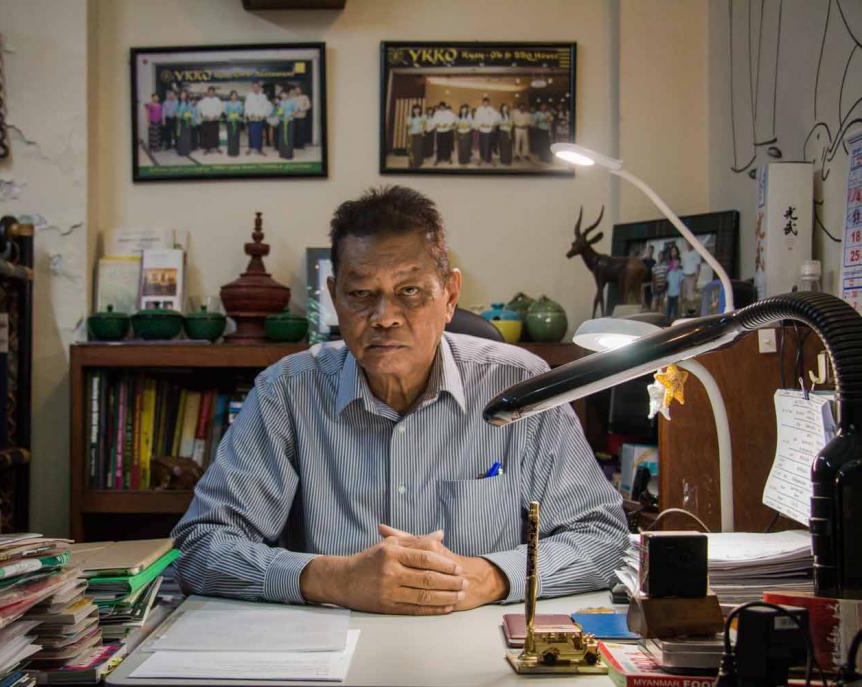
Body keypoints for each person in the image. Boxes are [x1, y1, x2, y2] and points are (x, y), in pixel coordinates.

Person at [172, 185, 628, 614]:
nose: (384, 317)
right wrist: (334, 578)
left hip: (473, 649)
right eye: (361, 294)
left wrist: (489, 577)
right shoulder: (287, 392)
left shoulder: (519, 385)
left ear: (449, 295)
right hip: (326, 651)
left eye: (409, 292)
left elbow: (603, 537)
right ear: (334, 297)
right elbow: (201, 545)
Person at [244, 81, 270, 156]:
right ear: (252, 88)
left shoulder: (263, 96)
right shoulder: (249, 96)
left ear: (259, 87)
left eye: (257, 87)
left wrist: (261, 115)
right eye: (254, 87)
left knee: (259, 134)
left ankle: (259, 149)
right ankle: (250, 148)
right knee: (251, 134)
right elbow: (246, 106)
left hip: (259, 118)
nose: (255, 88)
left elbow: (266, 107)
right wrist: (249, 114)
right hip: (251, 118)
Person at [197, 86, 224, 154]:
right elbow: (202, 109)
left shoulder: (217, 100)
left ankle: (217, 147)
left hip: (215, 119)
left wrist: (216, 116)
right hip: (207, 120)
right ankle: (207, 148)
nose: (211, 93)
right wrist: (206, 116)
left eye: (212, 92)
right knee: (207, 135)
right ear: (207, 92)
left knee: (215, 134)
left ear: (214, 92)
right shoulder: (204, 100)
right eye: (210, 92)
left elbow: (220, 109)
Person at [474, 97, 499, 166]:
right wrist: (479, 125)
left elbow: (495, 118)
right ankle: (481, 158)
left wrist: (492, 125)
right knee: (481, 145)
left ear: (488, 103)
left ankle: (489, 159)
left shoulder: (491, 109)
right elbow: (476, 118)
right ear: (482, 103)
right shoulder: (479, 109)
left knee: (489, 145)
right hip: (481, 130)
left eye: (487, 103)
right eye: (484, 103)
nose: (485, 104)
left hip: (489, 130)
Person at [277, 88, 297, 160]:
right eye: (281, 95)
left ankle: (289, 154)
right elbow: (279, 111)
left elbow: (296, 110)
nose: (282, 96)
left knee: (289, 137)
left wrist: (290, 115)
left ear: (287, 94)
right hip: (282, 121)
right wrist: (278, 112)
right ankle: (282, 153)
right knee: (282, 137)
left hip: (289, 121)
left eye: (283, 94)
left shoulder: (292, 101)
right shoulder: (281, 102)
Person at [664, 243, 683, 320]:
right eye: (672, 251)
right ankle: (667, 319)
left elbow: (681, 283)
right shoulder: (670, 272)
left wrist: (681, 294)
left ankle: (674, 320)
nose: (673, 253)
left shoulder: (680, 272)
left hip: (676, 293)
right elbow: (667, 282)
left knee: (675, 308)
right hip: (669, 293)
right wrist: (666, 293)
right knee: (668, 307)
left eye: (674, 251)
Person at [225, 90, 244, 157]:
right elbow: (225, 112)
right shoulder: (227, 103)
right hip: (229, 121)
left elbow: (241, 111)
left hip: (237, 121)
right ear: (230, 96)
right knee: (230, 137)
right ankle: (230, 152)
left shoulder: (239, 103)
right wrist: (230, 115)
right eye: (232, 95)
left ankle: (236, 152)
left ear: (237, 96)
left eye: (235, 95)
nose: (234, 96)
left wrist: (236, 114)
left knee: (236, 137)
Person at [175, 90, 194, 157]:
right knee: (180, 137)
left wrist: (184, 115)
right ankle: (180, 151)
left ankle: (186, 151)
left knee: (186, 137)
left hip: (186, 121)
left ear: (186, 96)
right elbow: (176, 111)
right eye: (181, 95)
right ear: (180, 96)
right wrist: (178, 115)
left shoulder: (188, 103)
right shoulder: (177, 102)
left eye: (184, 95)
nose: (183, 96)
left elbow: (190, 112)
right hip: (179, 122)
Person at [293, 84, 312, 149]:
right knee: (295, 131)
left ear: (301, 90)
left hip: (301, 116)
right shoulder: (293, 98)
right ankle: (295, 145)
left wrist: (301, 108)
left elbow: (308, 106)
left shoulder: (305, 97)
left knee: (301, 131)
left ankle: (301, 145)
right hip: (294, 117)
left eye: (298, 89)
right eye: (296, 90)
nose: (297, 91)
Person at [407, 104, 425, 169]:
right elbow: (409, 128)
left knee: (419, 149)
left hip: (419, 135)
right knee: (412, 150)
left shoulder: (422, 118)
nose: (417, 110)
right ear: (413, 110)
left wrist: (423, 132)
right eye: (415, 109)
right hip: (412, 135)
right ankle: (411, 164)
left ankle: (418, 162)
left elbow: (422, 127)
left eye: (418, 109)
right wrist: (409, 137)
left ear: (420, 110)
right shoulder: (410, 117)